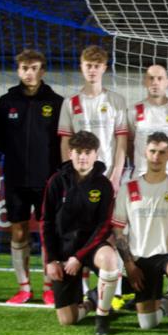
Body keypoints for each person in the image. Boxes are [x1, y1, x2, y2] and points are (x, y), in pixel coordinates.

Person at [0, 49, 64, 305]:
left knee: (47, 234)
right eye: (25, 68)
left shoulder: (57, 102)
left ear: (42, 71)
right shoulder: (5, 102)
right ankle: (24, 288)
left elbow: (61, 142)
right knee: (19, 232)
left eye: (34, 68)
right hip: (15, 180)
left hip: (47, 180)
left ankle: (47, 286)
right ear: (18, 71)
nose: (29, 73)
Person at [57, 45, 128, 296]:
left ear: (104, 68)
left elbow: (121, 141)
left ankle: (115, 289)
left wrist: (117, 175)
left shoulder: (116, 101)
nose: (92, 70)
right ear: (81, 67)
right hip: (79, 179)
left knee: (111, 230)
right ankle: (83, 287)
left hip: (107, 178)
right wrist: (70, 174)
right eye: (88, 65)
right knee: (79, 230)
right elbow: (66, 141)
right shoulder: (71, 103)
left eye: (97, 66)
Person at [111, 132, 168, 335]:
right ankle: (167, 303)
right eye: (152, 151)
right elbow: (118, 231)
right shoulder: (128, 189)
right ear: (144, 153)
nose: (156, 157)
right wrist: (129, 265)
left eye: (162, 152)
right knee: (148, 324)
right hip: (140, 259)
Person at [42, 131, 120, 335]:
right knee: (67, 320)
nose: (82, 157)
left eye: (87, 152)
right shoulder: (56, 181)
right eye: (78, 152)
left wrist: (80, 256)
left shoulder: (103, 185)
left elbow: (104, 226)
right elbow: (47, 223)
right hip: (64, 252)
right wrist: (51, 260)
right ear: (70, 153)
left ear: (96, 154)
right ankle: (92, 302)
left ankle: (103, 316)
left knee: (110, 258)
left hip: (92, 248)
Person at [127, 64, 168, 179]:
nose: (155, 82)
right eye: (151, 78)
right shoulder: (133, 111)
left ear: (167, 82)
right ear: (145, 82)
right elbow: (129, 145)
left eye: (159, 78)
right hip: (141, 174)